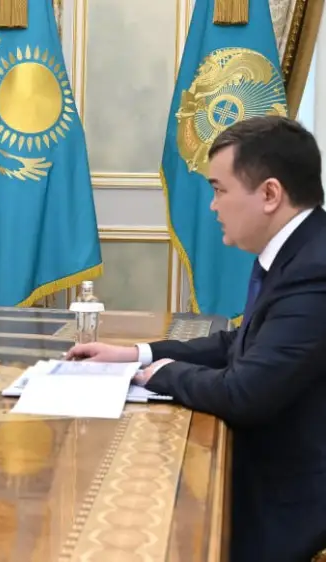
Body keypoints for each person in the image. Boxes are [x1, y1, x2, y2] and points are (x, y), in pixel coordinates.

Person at [66, 116, 326, 561]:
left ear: (269, 194)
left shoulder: (314, 269)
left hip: (288, 498)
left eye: (219, 190)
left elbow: (244, 393)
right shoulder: (302, 248)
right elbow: (242, 343)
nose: (212, 206)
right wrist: (136, 353)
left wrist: (161, 373)